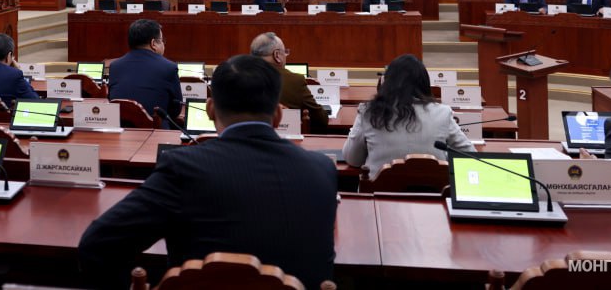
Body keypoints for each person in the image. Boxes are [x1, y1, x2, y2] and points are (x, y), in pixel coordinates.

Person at [78, 56, 338, 288]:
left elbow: (97, 245)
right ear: (279, 115)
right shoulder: (322, 169)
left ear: (210, 109)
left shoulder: (182, 168)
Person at [343, 53, 475, 179]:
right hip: (433, 193)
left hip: (379, 193)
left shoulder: (369, 112)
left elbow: (353, 159)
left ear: (386, 82)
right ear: (425, 83)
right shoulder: (443, 113)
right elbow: (471, 155)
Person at [107, 19, 182, 125]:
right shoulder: (169, 67)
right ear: (153, 43)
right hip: (155, 131)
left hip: (121, 130)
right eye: (162, 40)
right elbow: (175, 110)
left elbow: (112, 100)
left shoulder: (115, 66)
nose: (163, 44)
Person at [251, 32, 328, 133]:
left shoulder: (238, 78)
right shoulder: (295, 81)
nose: (286, 55)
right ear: (277, 55)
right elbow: (321, 120)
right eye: (285, 52)